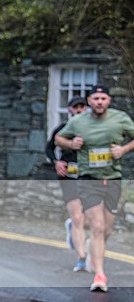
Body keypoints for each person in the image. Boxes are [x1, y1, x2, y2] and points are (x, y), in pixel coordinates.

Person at [56, 84, 134, 292]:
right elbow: (58, 138)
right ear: (89, 101)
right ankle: (99, 275)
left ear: (108, 101)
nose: (99, 102)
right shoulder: (78, 121)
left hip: (112, 178)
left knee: (107, 228)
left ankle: (94, 248)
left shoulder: (120, 118)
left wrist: (123, 149)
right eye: (95, 99)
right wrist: (71, 145)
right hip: (88, 179)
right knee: (97, 225)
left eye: (103, 98)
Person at [45, 96, 88, 271]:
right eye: (75, 107)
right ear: (70, 110)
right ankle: (82, 259)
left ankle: (73, 228)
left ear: (86, 109)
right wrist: (56, 161)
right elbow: (49, 148)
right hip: (69, 176)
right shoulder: (62, 129)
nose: (78, 110)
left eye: (82, 107)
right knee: (78, 217)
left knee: (91, 219)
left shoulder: (92, 130)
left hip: (90, 177)